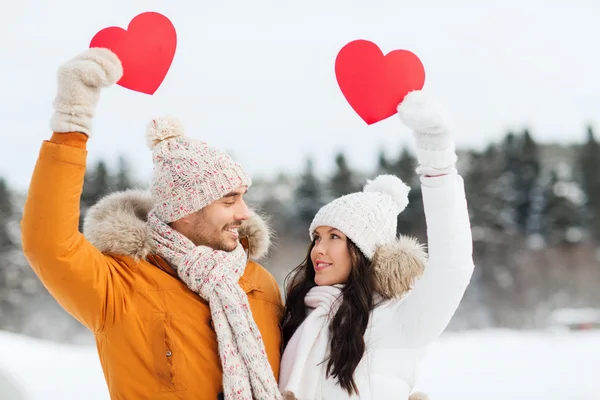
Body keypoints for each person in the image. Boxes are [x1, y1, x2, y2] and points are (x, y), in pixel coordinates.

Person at [21, 48, 283, 400]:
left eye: (242, 197)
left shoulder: (259, 284)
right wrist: (72, 123)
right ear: (185, 211)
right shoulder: (120, 287)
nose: (245, 213)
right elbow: (48, 243)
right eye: (229, 200)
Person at [278, 90, 475, 399]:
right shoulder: (298, 317)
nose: (318, 249)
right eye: (317, 236)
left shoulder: (399, 320)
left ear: (363, 252)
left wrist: (436, 157)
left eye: (335, 237)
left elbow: (453, 265)